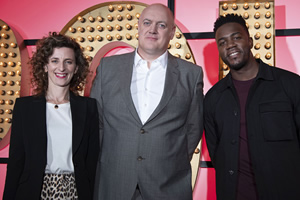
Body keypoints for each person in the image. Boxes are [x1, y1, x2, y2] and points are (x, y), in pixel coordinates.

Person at [91, 3, 203, 200]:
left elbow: (193, 128)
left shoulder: (190, 74)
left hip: (168, 185)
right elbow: (96, 123)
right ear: (139, 26)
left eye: (161, 25)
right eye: (147, 23)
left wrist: (168, 160)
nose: (152, 29)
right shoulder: (108, 68)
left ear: (172, 32)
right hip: (114, 182)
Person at [204, 13, 300, 199]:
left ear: (249, 40)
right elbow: (218, 155)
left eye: (236, 37)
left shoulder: (291, 85)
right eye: (222, 42)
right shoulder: (213, 99)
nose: (230, 45)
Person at [3, 32, 99, 200]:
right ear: (45, 65)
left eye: (68, 62)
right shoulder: (25, 108)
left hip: (75, 191)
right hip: (32, 192)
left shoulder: (88, 108)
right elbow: (16, 163)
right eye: (55, 61)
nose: (61, 68)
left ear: (76, 68)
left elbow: (92, 163)